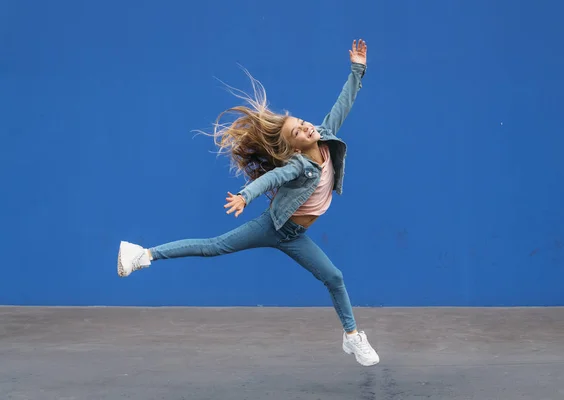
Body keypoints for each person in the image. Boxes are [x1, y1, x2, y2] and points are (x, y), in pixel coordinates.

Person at [117, 39, 379, 367]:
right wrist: (245, 195)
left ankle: (352, 337)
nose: (306, 127)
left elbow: (345, 101)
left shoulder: (325, 136)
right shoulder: (299, 165)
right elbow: (269, 179)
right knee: (214, 246)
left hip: (295, 237)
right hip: (274, 228)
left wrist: (357, 68)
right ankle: (142, 254)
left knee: (334, 277)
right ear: (294, 148)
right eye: (298, 131)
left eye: (301, 122)